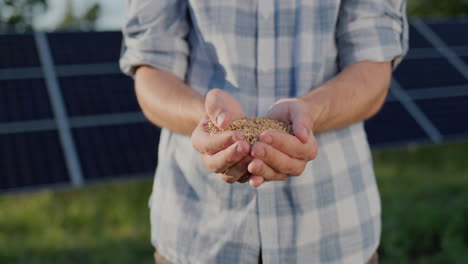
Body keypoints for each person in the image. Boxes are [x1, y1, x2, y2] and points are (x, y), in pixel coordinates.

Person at [120, 0, 408, 263]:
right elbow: (151, 70)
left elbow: (373, 66)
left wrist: (311, 111)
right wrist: (207, 119)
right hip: (196, 233)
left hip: (334, 234)